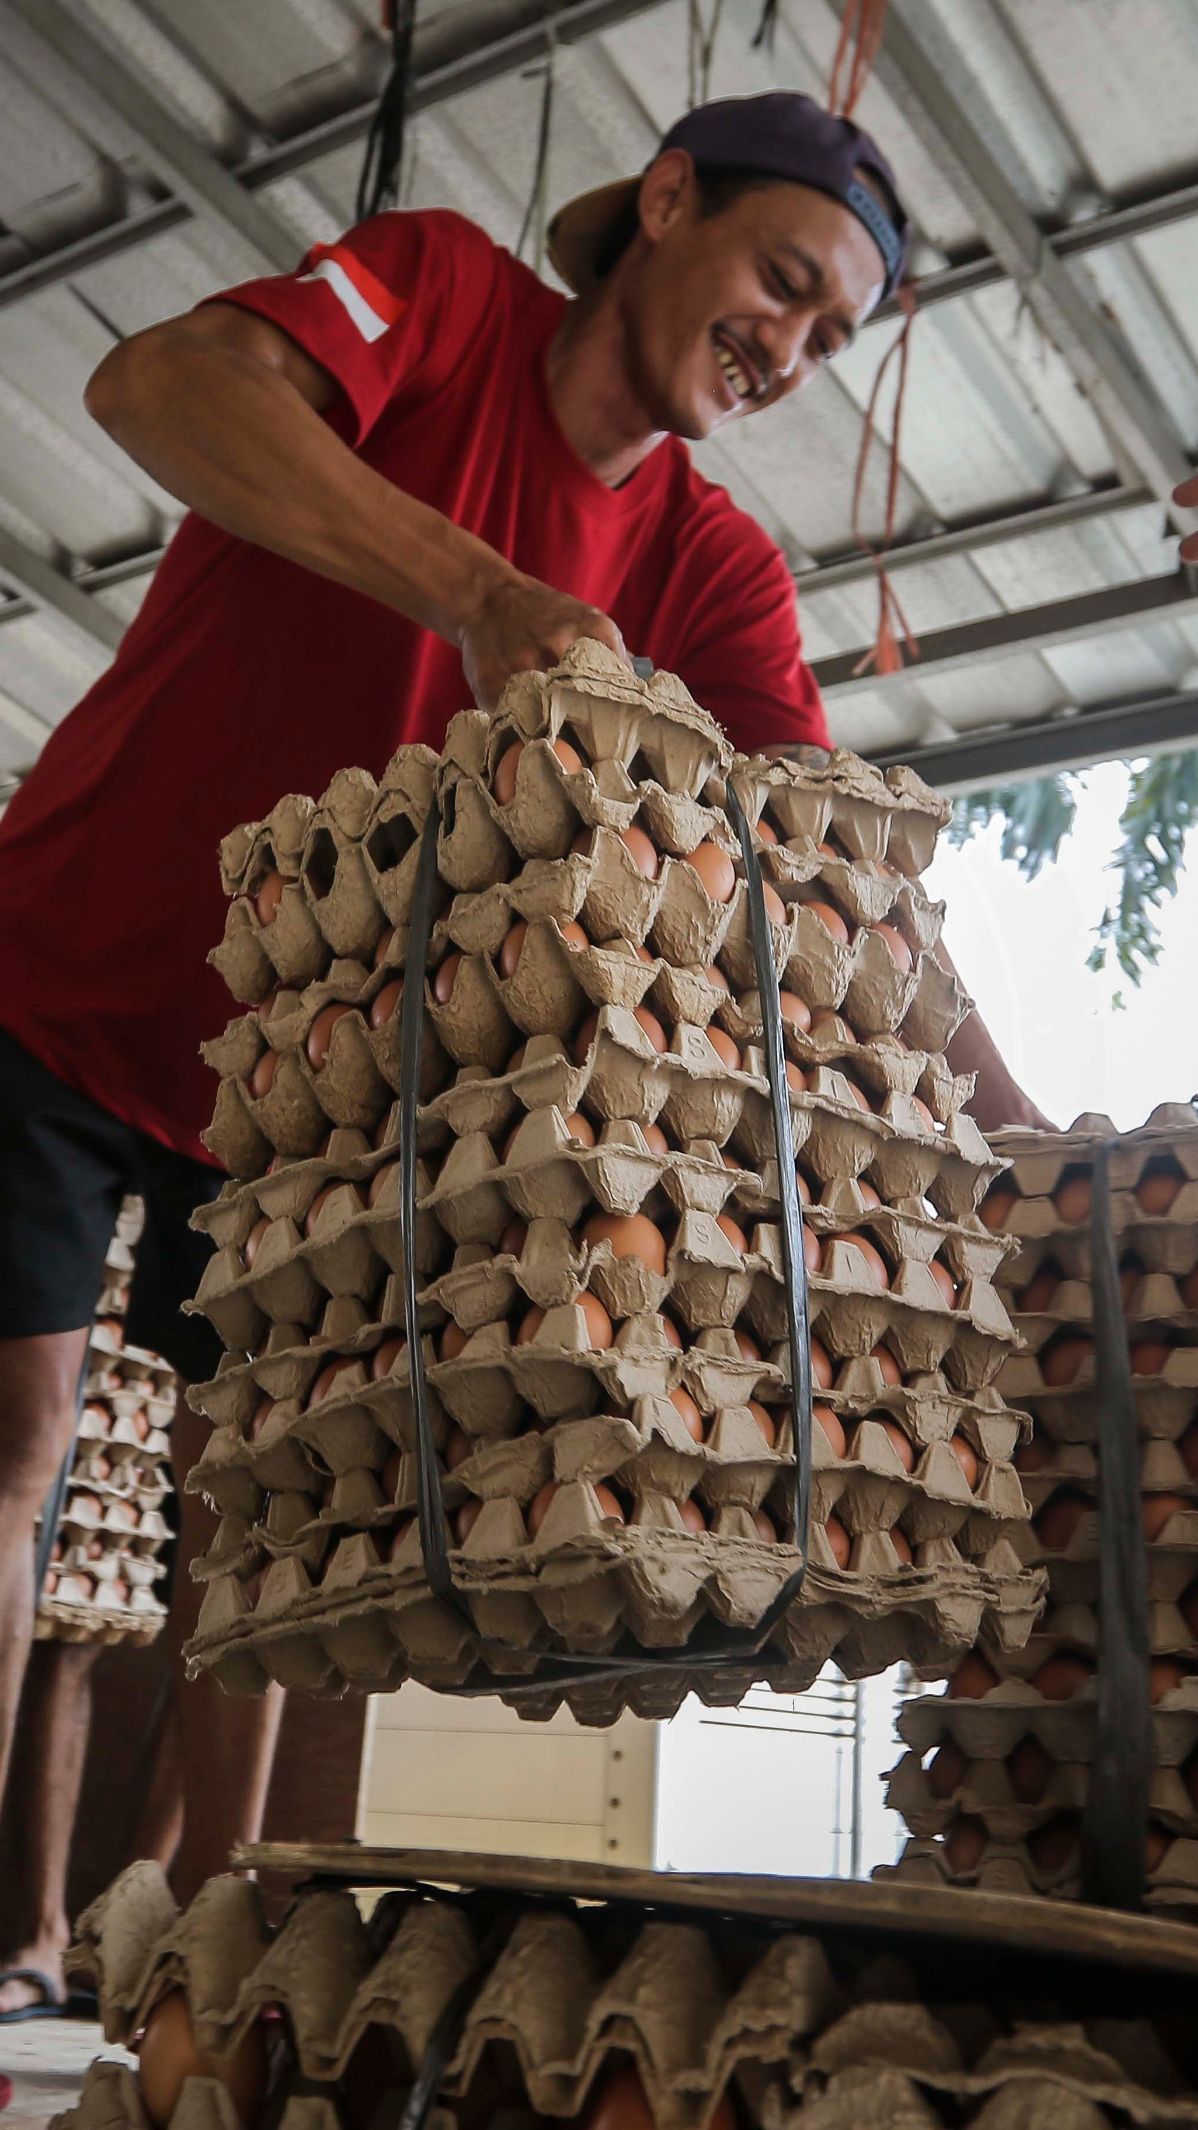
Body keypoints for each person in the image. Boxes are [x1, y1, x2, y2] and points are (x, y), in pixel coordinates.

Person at [0, 90, 1047, 2008]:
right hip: (58, 972)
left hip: (305, 1102)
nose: (788, 349)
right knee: (16, 1453)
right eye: (778, 282)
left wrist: (1027, 1143)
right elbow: (161, 387)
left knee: (267, 1518)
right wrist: (484, 595)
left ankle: (200, 1941)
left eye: (828, 337)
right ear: (663, 202)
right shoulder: (440, 304)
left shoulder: (711, 563)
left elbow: (836, 873)